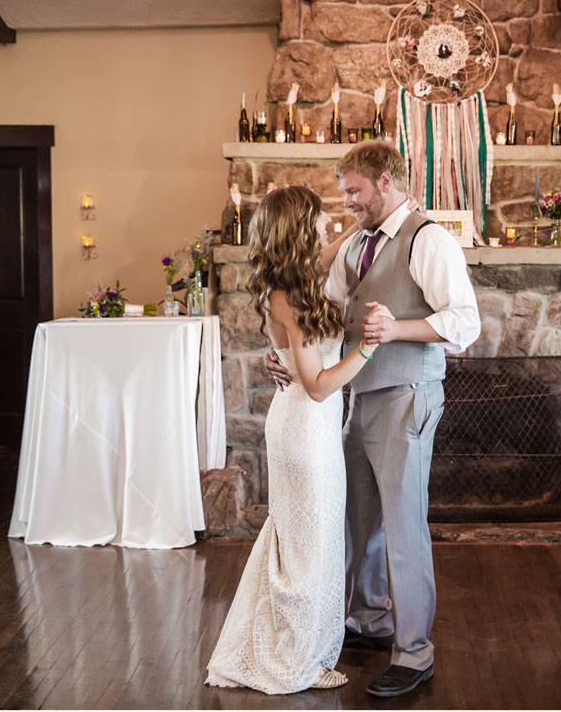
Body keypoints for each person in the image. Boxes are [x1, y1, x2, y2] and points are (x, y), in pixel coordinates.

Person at [265, 141, 480, 697]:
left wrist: (397, 330)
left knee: (403, 526)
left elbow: (465, 322)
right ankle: (367, 620)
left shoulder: (429, 239)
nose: (349, 201)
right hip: (356, 397)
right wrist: (285, 351)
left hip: (407, 393)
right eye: (344, 192)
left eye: (355, 190)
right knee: (359, 521)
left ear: (387, 182)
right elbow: (326, 312)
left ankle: (414, 652)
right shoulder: (356, 243)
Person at [205, 185, 392, 695]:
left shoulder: (300, 277)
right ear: (298, 230)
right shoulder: (289, 295)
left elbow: (346, 237)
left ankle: (297, 645)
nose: (326, 226)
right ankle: (296, 659)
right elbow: (317, 385)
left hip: (308, 428)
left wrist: (379, 211)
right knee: (310, 549)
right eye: (317, 220)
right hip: (305, 431)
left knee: (307, 543)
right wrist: (369, 349)